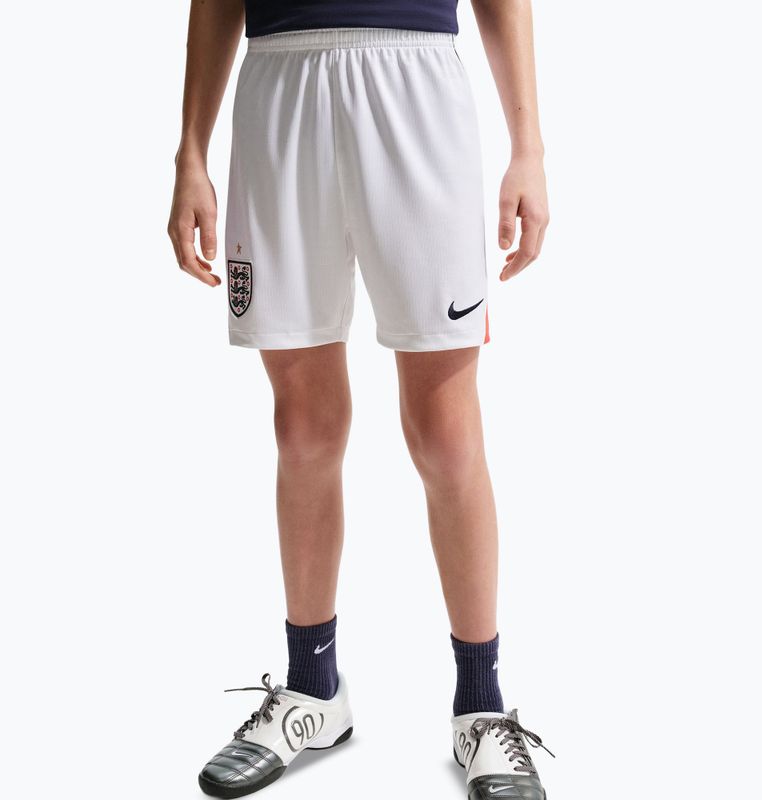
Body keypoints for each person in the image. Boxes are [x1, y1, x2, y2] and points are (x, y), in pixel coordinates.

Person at [168, 2, 552, 798]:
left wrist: (529, 147)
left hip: (414, 77)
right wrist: (190, 153)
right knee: (302, 427)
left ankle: (481, 708)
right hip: (279, 82)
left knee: (445, 432)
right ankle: (313, 692)